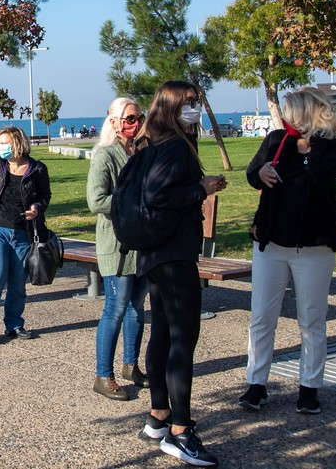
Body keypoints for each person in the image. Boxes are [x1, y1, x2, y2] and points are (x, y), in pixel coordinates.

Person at [239, 87, 336, 415]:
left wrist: (312, 141)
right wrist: (259, 173)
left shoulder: (335, 148)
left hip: (315, 247)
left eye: (290, 111)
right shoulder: (276, 141)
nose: (284, 117)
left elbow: (331, 168)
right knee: (262, 317)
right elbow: (253, 173)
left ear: (308, 113)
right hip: (271, 245)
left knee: (312, 319)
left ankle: (309, 388)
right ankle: (256, 384)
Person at [134, 81, 226, 467]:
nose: (195, 109)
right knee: (182, 339)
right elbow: (157, 194)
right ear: (171, 106)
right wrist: (200, 189)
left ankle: (159, 416)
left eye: (197, 103)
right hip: (173, 253)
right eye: (189, 103)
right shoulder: (172, 145)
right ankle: (181, 431)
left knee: (164, 333)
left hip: (156, 251)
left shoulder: (149, 141)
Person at [86, 97, 149, 400]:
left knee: (138, 308)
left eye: (138, 117)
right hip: (117, 245)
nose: (134, 124)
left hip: (144, 244)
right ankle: (103, 375)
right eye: (128, 119)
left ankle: (130, 365)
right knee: (116, 308)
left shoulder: (142, 151)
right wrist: (134, 203)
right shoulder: (105, 156)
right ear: (113, 122)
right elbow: (96, 201)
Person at [0, 126, 50, 344]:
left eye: (5, 143)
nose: (2, 147)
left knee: (18, 281)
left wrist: (37, 207)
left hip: (22, 232)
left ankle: (14, 324)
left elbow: (45, 195)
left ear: (18, 143)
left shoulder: (37, 169)